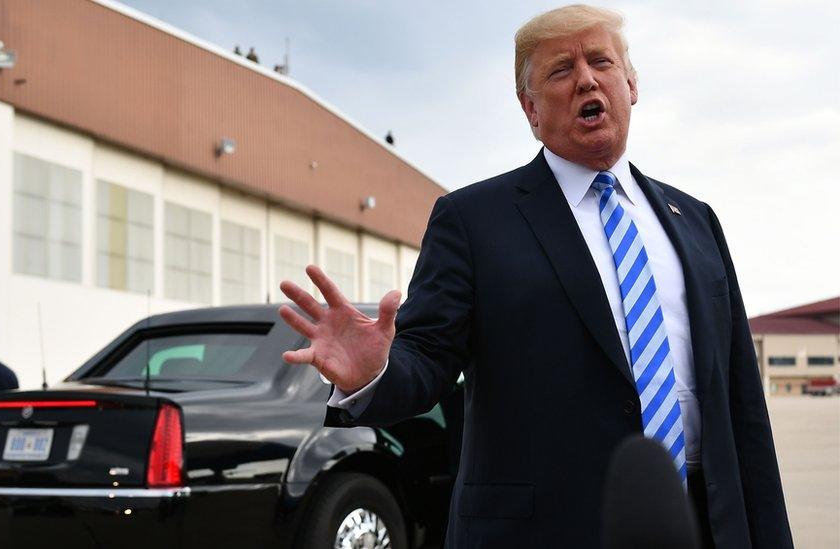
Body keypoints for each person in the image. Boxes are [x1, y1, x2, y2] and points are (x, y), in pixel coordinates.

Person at [278, 4, 791, 548]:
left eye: (601, 61)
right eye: (561, 71)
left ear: (631, 84)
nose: (587, 78)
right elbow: (426, 356)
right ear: (530, 109)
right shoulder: (474, 221)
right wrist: (373, 372)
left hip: (700, 525)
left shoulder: (697, 223)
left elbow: (742, 408)